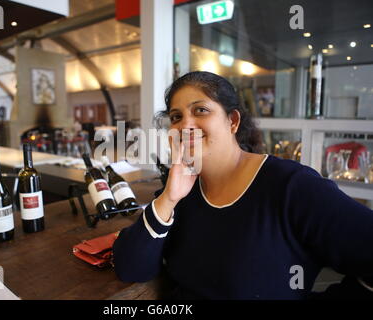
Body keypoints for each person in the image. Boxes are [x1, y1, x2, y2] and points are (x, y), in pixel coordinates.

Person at [113, 71, 373, 299]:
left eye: (200, 110)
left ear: (233, 121)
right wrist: (168, 198)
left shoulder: (293, 187)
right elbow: (130, 268)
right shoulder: (182, 189)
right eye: (176, 116)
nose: (185, 125)